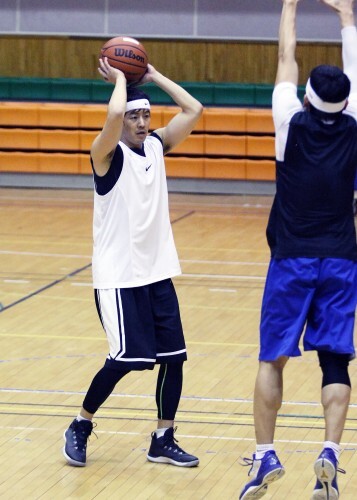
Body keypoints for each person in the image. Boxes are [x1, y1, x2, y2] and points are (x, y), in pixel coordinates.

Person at [239, 0, 357, 499]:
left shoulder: (289, 121)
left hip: (291, 258)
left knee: (273, 361)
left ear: (305, 97)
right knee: (335, 362)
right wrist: (348, 18)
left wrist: (290, 4)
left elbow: (286, 55)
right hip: (342, 259)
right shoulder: (354, 125)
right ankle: (329, 451)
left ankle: (265, 455)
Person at [62, 57, 203, 468]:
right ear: (122, 120)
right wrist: (122, 79)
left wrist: (154, 76)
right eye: (133, 116)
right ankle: (80, 424)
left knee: (173, 358)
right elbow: (111, 115)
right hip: (119, 276)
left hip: (156, 273)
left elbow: (193, 110)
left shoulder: (157, 146)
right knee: (126, 359)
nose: (141, 122)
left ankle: (163, 438)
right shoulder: (105, 155)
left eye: (146, 115)